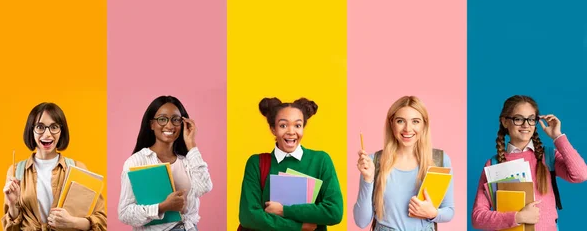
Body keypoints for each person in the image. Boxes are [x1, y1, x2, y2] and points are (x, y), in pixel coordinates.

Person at [471, 95, 587, 230]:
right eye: (518, 119)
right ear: (504, 121)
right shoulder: (493, 164)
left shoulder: (548, 156)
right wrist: (518, 217)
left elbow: (581, 175)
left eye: (531, 119)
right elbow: (477, 218)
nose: (526, 125)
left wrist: (557, 136)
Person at [238, 97, 343, 231]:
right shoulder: (256, 163)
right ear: (273, 129)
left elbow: (334, 212)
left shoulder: (321, 160)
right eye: (283, 125)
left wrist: (284, 210)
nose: (291, 132)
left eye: (297, 125)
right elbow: (249, 216)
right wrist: (299, 226)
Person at [354, 96, 454, 231]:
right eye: (400, 121)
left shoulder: (439, 160)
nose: (408, 128)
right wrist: (367, 179)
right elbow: (361, 221)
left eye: (415, 121)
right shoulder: (373, 162)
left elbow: (449, 211)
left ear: (424, 124)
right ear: (391, 123)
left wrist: (433, 214)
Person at [2, 102, 107, 230]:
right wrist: (13, 204)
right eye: (40, 127)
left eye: (54, 127)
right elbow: (11, 229)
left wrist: (73, 222)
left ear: (61, 131)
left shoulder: (78, 168)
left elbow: (101, 221)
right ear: (31, 130)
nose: (47, 134)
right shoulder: (16, 171)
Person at [118, 95, 212, 231]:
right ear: (151, 124)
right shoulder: (137, 161)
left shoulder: (186, 160)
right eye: (162, 119)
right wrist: (163, 207)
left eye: (176, 120)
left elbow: (204, 187)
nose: (169, 125)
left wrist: (191, 144)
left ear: (183, 123)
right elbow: (125, 213)